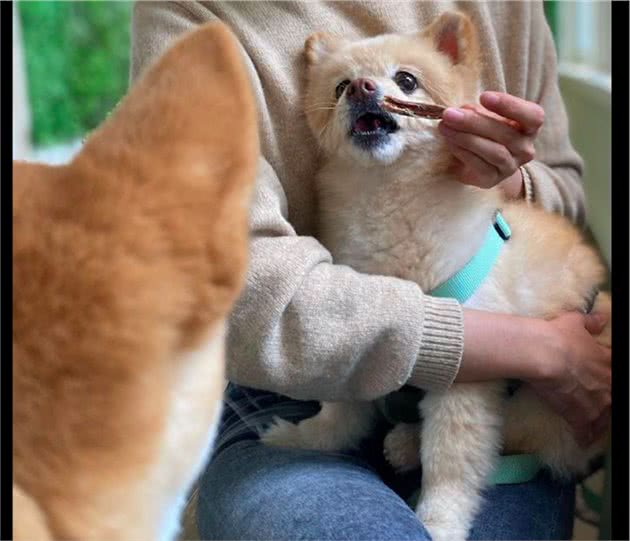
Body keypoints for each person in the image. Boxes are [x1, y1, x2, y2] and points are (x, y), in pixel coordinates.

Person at [130, 2, 611, 539]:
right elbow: (236, 291)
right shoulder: (188, 14)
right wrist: (536, 350)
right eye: (340, 89)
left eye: (404, 80)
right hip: (291, 372)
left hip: (526, 394)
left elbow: (566, 191)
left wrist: (506, 181)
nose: (363, 90)